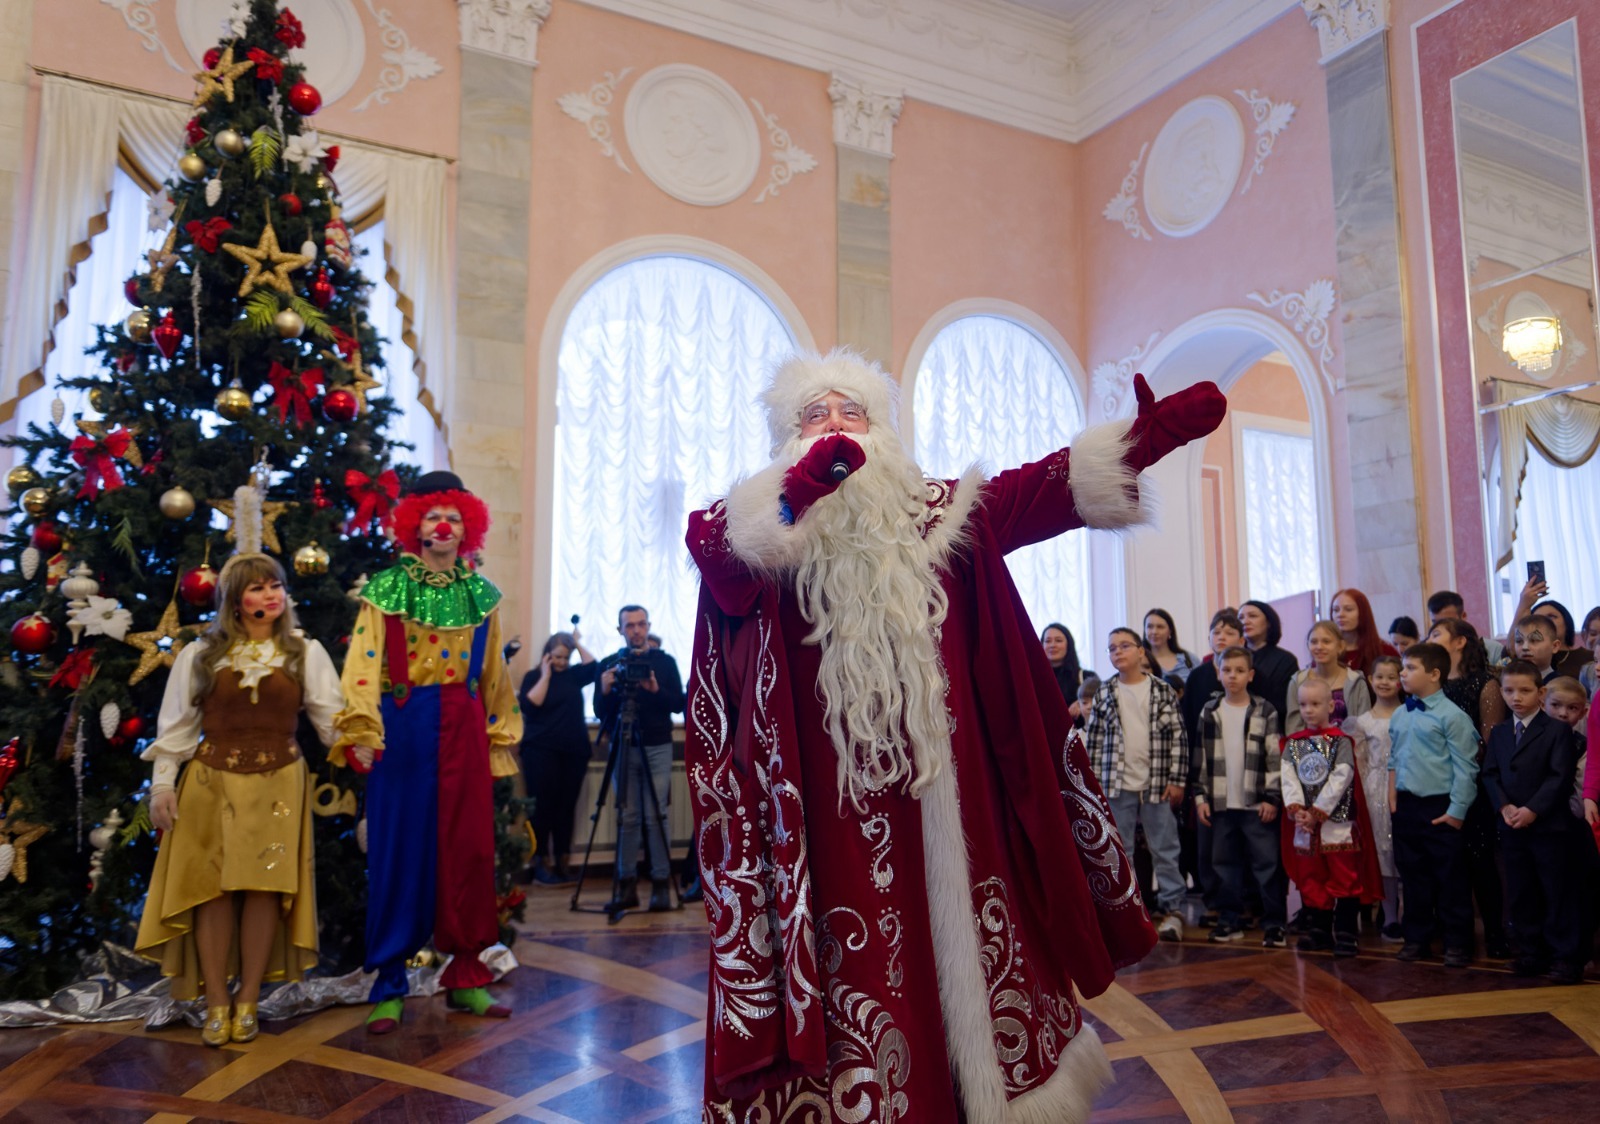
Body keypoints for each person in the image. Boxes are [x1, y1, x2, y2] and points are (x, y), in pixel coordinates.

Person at [682, 352, 1224, 1120]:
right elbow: (716, 553)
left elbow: (1042, 489)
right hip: (823, 815)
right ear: (786, 439)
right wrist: (798, 494)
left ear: (884, 431)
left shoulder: (942, 512)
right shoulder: (763, 535)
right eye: (815, 415)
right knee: (859, 965)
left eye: (852, 412)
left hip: (953, 794)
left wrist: (1141, 444)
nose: (835, 428)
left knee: (970, 943)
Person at [334, 470, 523, 1033]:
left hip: (463, 727)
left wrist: (499, 735)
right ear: (415, 525)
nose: (444, 526)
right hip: (403, 725)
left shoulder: (480, 595)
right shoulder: (388, 589)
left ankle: (466, 976)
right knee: (398, 852)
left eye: (456, 517)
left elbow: (494, 675)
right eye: (434, 516)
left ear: (469, 529)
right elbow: (363, 662)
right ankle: (390, 983)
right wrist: (362, 728)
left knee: (467, 852)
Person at [136, 554, 343, 1047]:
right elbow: (177, 728)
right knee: (212, 891)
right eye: (257, 589)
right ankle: (216, 1003)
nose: (270, 596)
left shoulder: (304, 652)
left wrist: (362, 742)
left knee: (264, 890)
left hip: (278, 784)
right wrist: (163, 785)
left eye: (276, 586)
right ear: (233, 600)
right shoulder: (200, 654)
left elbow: (332, 721)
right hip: (210, 783)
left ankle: (248, 998)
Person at [1086, 627, 1191, 941]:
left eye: (1124, 646)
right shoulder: (1105, 693)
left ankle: (1172, 912)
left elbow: (1178, 738)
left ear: (1141, 651)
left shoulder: (1161, 691)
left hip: (1156, 783)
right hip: (1115, 784)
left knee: (1165, 849)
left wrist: (1177, 780)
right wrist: (1093, 787)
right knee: (1120, 851)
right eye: (1111, 648)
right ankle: (1128, 914)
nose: (1117, 652)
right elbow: (1093, 743)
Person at [1484, 661, 1585, 983]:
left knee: (1556, 890)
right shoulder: (1500, 732)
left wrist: (1532, 810)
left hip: (1547, 826)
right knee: (1521, 890)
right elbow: (1490, 773)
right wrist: (1504, 806)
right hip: (1511, 824)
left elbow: (1560, 777)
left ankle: (1565, 956)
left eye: (1525, 690)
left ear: (1541, 693)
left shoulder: (1556, 730)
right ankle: (1531, 951)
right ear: (1501, 692)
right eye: (1509, 691)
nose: (1516, 698)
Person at [1388, 642, 1480, 967]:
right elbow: (1394, 759)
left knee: (1450, 879)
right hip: (1407, 807)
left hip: (1441, 806)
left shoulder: (1453, 717)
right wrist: (1393, 800)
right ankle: (1417, 938)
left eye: (1410, 668)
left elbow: (1466, 768)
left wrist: (1456, 812)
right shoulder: (1400, 714)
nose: (1402, 673)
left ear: (1434, 674)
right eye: (1403, 667)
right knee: (1413, 878)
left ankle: (1457, 943)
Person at [1189, 646, 1286, 947]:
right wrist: (1200, 798)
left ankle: (1275, 924)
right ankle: (1230, 920)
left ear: (1250, 675)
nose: (1232, 676)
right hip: (1220, 802)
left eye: (1239, 670)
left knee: (1266, 864)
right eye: (1226, 670)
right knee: (1224, 865)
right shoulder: (1209, 711)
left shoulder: (1265, 710)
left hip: (1256, 803)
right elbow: (1200, 759)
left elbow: (1273, 757)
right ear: (1218, 674)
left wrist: (1272, 797)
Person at [1281, 677, 1383, 957]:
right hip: (1304, 825)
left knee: (1344, 876)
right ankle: (1320, 931)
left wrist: (1318, 812)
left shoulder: (1340, 742)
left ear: (1330, 705)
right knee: (1312, 877)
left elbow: (1342, 776)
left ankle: (1347, 932)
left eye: (1315, 704)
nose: (1308, 710)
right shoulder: (1293, 744)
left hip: (1336, 823)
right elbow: (1289, 778)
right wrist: (1297, 809)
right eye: (1303, 705)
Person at [1427, 616, 1511, 958]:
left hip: (1473, 781)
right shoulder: (1433, 685)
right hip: (1436, 782)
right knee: (1448, 862)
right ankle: (1453, 933)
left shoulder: (1484, 684)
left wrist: (1456, 760)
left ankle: (1494, 932)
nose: (1429, 637)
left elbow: (1488, 738)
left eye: (1436, 632)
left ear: (1460, 641)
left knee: (1480, 860)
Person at [596, 605, 685, 913]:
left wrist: (655, 688)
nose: (636, 630)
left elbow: (678, 704)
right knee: (629, 817)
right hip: (624, 745)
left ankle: (661, 885)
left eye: (641, 624)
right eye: (629, 625)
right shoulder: (611, 663)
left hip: (657, 745)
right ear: (620, 629)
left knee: (655, 814)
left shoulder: (664, 662)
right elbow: (599, 711)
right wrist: (605, 690)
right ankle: (626, 885)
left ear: (648, 626)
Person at [518, 629, 599, 886]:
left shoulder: (575, 676)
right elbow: (532, 705)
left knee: (565, 808)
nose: (562, 662)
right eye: (557, 657)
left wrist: (576, 642)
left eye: (566, 657)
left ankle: (562, 861)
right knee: (542, 808)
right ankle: (541, 862)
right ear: (547, 655)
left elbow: (594, 666)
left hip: (573, 752)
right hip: (540, 752)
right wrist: (545, 673)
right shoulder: (534, 677)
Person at [1179, 609, 1245, 923]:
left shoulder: (1245, 672)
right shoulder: (1198, 676)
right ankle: (1214, 901)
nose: (1220, 636)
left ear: (1241, 639)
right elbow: (1188, 723)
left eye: (1228, 632)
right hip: (1205, 770)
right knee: (1207, 845)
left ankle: (1245, 904)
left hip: (1243, 772)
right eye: (1215, 631)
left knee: (1240, 843)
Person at [1344, 655, 1402, 940]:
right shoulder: (1363, 722)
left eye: (1392, 677)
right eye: (1380, 676)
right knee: (1382, 852)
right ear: (1370, 679)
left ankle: (1412, 914)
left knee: (1403, 853)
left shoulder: (1409, 714)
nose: (1385, 682)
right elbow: (1361, 762)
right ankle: (1390, 916)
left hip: (1404, 785)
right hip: (1373, 791)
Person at [1285, 621, 1373, 734]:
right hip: (1307, 749)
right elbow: (1293, 729)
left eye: (1326, 641)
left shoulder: (1356, 681)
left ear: (1341, 646)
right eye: (1313, 642)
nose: (1319, 647)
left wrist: (1345, 749)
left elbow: (1363, 728)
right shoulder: (1298, 682)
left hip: (1348, 748)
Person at [1240, 600, 1298, 721]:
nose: (1245, 621)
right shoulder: (1233, 659)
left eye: (1252, 616)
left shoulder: (1285, 660)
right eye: (1240, 618)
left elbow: (1285, 705)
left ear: (1268, 622)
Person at [1330, 588, 1399, 678]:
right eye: (1335, 610)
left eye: (1348, 609)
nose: (1340, 615)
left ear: (1363, 613)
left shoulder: (1385, 651)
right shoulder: (1326, 651)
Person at [1427, 589, 1505, 665]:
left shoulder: (1493, 649)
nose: (1439, 627)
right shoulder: (1427, 653)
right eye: (1435, 622)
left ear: (1463, 616)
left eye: (1448, 621)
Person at [1145, 608, 1197, 684]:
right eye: (1150, 627)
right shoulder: (1139, 662)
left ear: (1170, 631)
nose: (1154, 632)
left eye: (1160, 627)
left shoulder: (1189, 659)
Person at [1042, 622, 1083, 709]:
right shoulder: (1032, 679)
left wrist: (1084, 704)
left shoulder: (1085, 677)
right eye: (1048, 641)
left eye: (1058, 640)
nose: (1052, 645)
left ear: (1069, 645)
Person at [1513, 613, 1562, 685]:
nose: (1525, 647)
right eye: (1519, 641)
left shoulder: (1561, 685)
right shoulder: (1509, 681)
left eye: (1534, 640)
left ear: (1554, 646)